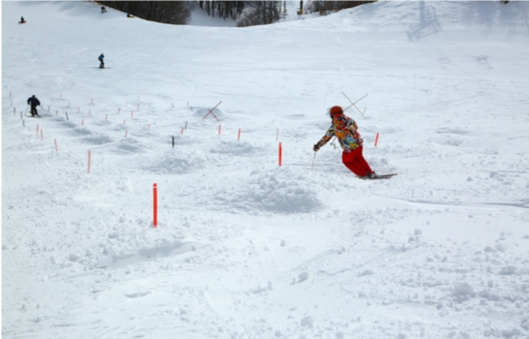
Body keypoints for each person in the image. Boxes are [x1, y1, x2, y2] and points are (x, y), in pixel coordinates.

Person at [313, 105, 376, 179]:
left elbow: (326, 138)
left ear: (331, 115)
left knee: (347, 161)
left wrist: (318, 146)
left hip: (350, 147)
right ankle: (370, 173)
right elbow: (356, 127)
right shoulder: (349, 119)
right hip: (359, 143)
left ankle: (363, 175)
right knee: (359, 158)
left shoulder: (334, 126)